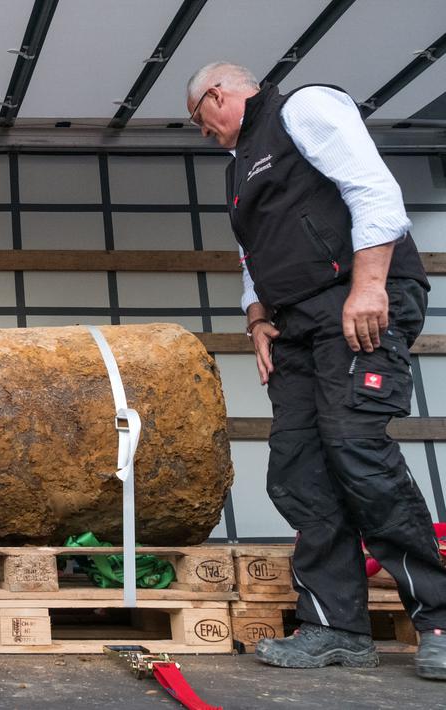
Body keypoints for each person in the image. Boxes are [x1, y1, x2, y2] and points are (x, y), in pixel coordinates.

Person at [186, 61, 446, 679]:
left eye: (202, 121)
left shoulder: (304, 107)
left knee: (356, 448)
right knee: (299, 468)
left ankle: (438, 617)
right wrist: (257, 320)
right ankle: (334, 626)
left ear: (218, 96)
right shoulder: (238, 171)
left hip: (354, 301)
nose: (206, 135)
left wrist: (370, 286)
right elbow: (254, 254)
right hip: (295, 323)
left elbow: (371, 187)